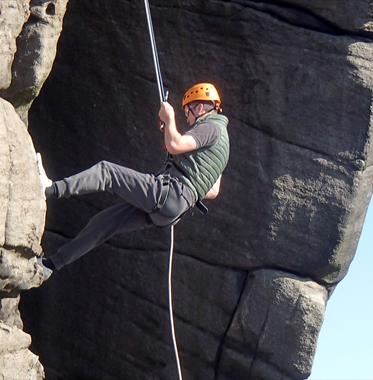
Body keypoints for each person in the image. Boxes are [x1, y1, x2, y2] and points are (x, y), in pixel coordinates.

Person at [36, 83, 230, 280]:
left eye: (187, 111)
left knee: (107, 172)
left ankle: (50, 189)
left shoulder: (210, 126)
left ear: (199, 108)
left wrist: (170, 118)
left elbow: (175, 144)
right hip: (174, 208)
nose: (187, 118)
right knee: (104, 223)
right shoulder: (223, 144)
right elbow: (213, 190)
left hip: (169, 194)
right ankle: (51, 265)